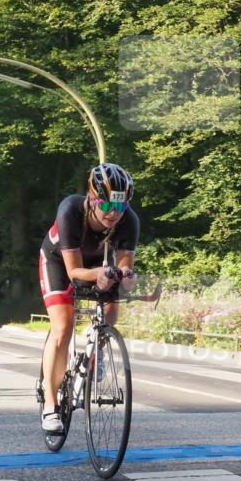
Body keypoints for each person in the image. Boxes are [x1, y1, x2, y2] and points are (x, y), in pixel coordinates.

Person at [38, 163, 139, 433]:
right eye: (107, 207)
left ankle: (96, 348)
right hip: (60, 261)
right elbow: (74, 272)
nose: (113, 214)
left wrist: (127, 276)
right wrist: (99, 273)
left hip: (97, 262)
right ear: (93, 200)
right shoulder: (70, 210)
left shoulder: (128, 220)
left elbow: (125, 266)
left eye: (120, 207)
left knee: (112, 312)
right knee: (63, 326)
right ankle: (50, 404)